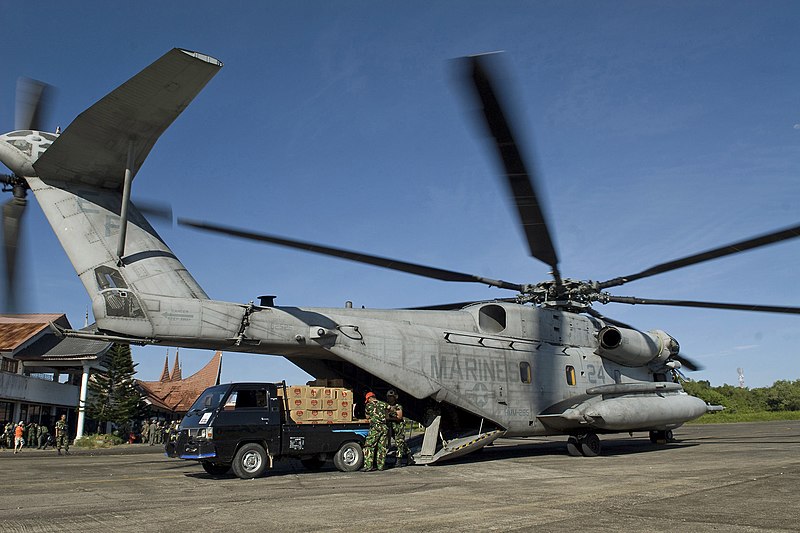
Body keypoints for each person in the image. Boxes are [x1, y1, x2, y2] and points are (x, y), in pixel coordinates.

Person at [361, 391, 389, 472]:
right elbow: (388, 413)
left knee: (369, 446)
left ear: (369, 398)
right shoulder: (384, 404)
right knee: (382, 447)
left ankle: (368, 466)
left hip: (375, 428)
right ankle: (381, 466)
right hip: (384, 427)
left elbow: (367, 416)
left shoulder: (369, 405)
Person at [386, 390, 412, 467]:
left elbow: (399, 417)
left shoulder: (398, 406)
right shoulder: (386, 405)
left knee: (399, 443)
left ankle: (398, 461)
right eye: (389, 397)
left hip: (398, 426)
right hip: (390, 427)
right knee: (401, 442)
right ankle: (409, 454)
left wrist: (389, 418)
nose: (390, 399)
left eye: (391, 397)